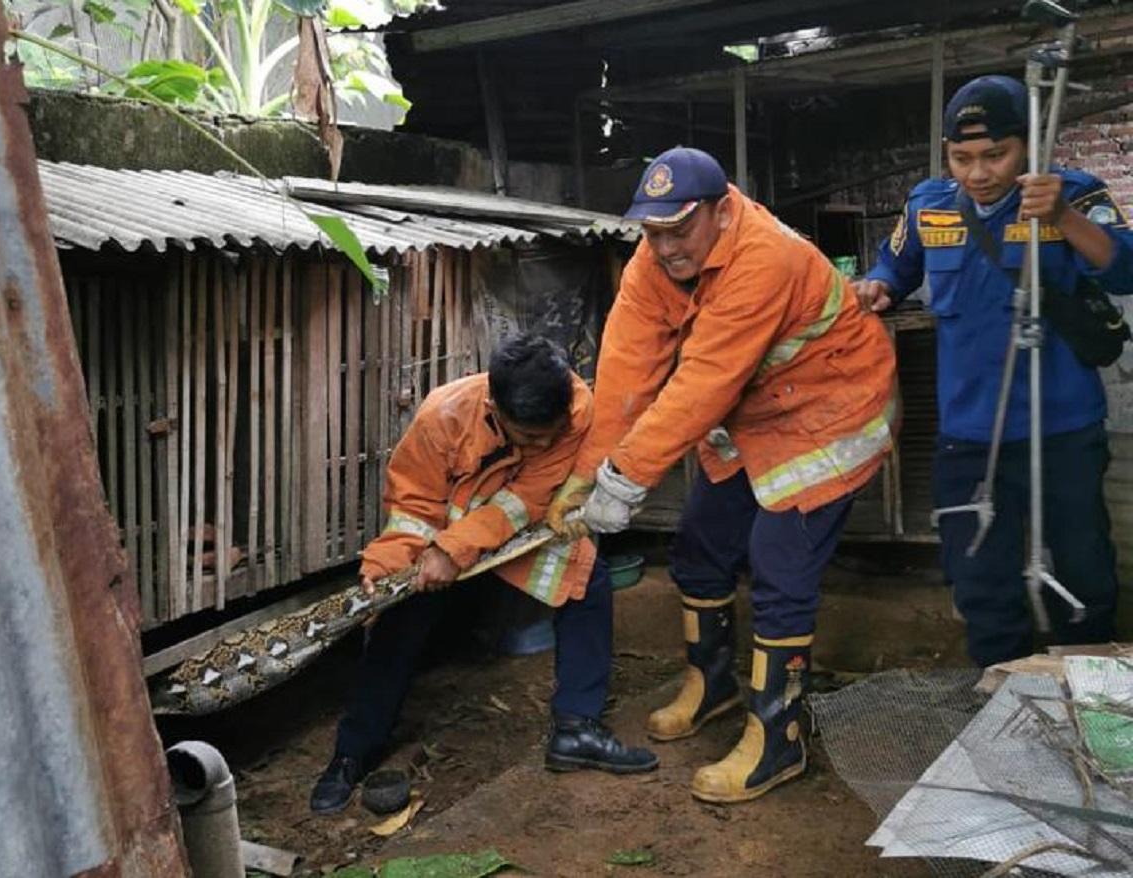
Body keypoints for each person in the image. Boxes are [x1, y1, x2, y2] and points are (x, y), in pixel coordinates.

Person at [549, 146, 899, 803]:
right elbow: (626, 368)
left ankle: (779, 738)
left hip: (831, 411)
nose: (666, 248)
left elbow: (703, 383)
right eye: (653, 233)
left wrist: (623, 483)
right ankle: (712, 684)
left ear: (720, 210)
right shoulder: (654, 263)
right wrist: (588, 470)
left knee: (779, 564)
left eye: (680, 230)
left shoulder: (762, 257)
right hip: (756, 414)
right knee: (701, 544)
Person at [309, 334, 658, 815]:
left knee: (586, 577)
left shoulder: (577, 408)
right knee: (397, 617)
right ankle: (353, 751)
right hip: (439, 536)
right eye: (527, 436)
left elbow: (531, 497)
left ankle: (577, 726)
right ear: (494, 407)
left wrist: (459, 550)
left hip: (515, 527)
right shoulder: (441, 417)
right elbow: (412, 508)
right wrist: (388, 567)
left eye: (547, 435)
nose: (540, 444)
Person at [856, 75, 1132, 668]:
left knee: (1082, 571)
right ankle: (999, 693)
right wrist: (876, 285)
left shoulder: (1074, 195)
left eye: (995, 155)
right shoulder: (928, 205)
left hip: (1061, 428)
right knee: (979, 577)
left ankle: (1089, 696)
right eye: (962, 158)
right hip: (970, 433)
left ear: (1027, 148)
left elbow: (1125, 268)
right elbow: (894, 269)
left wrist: (1059, 215)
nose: (978, 173)